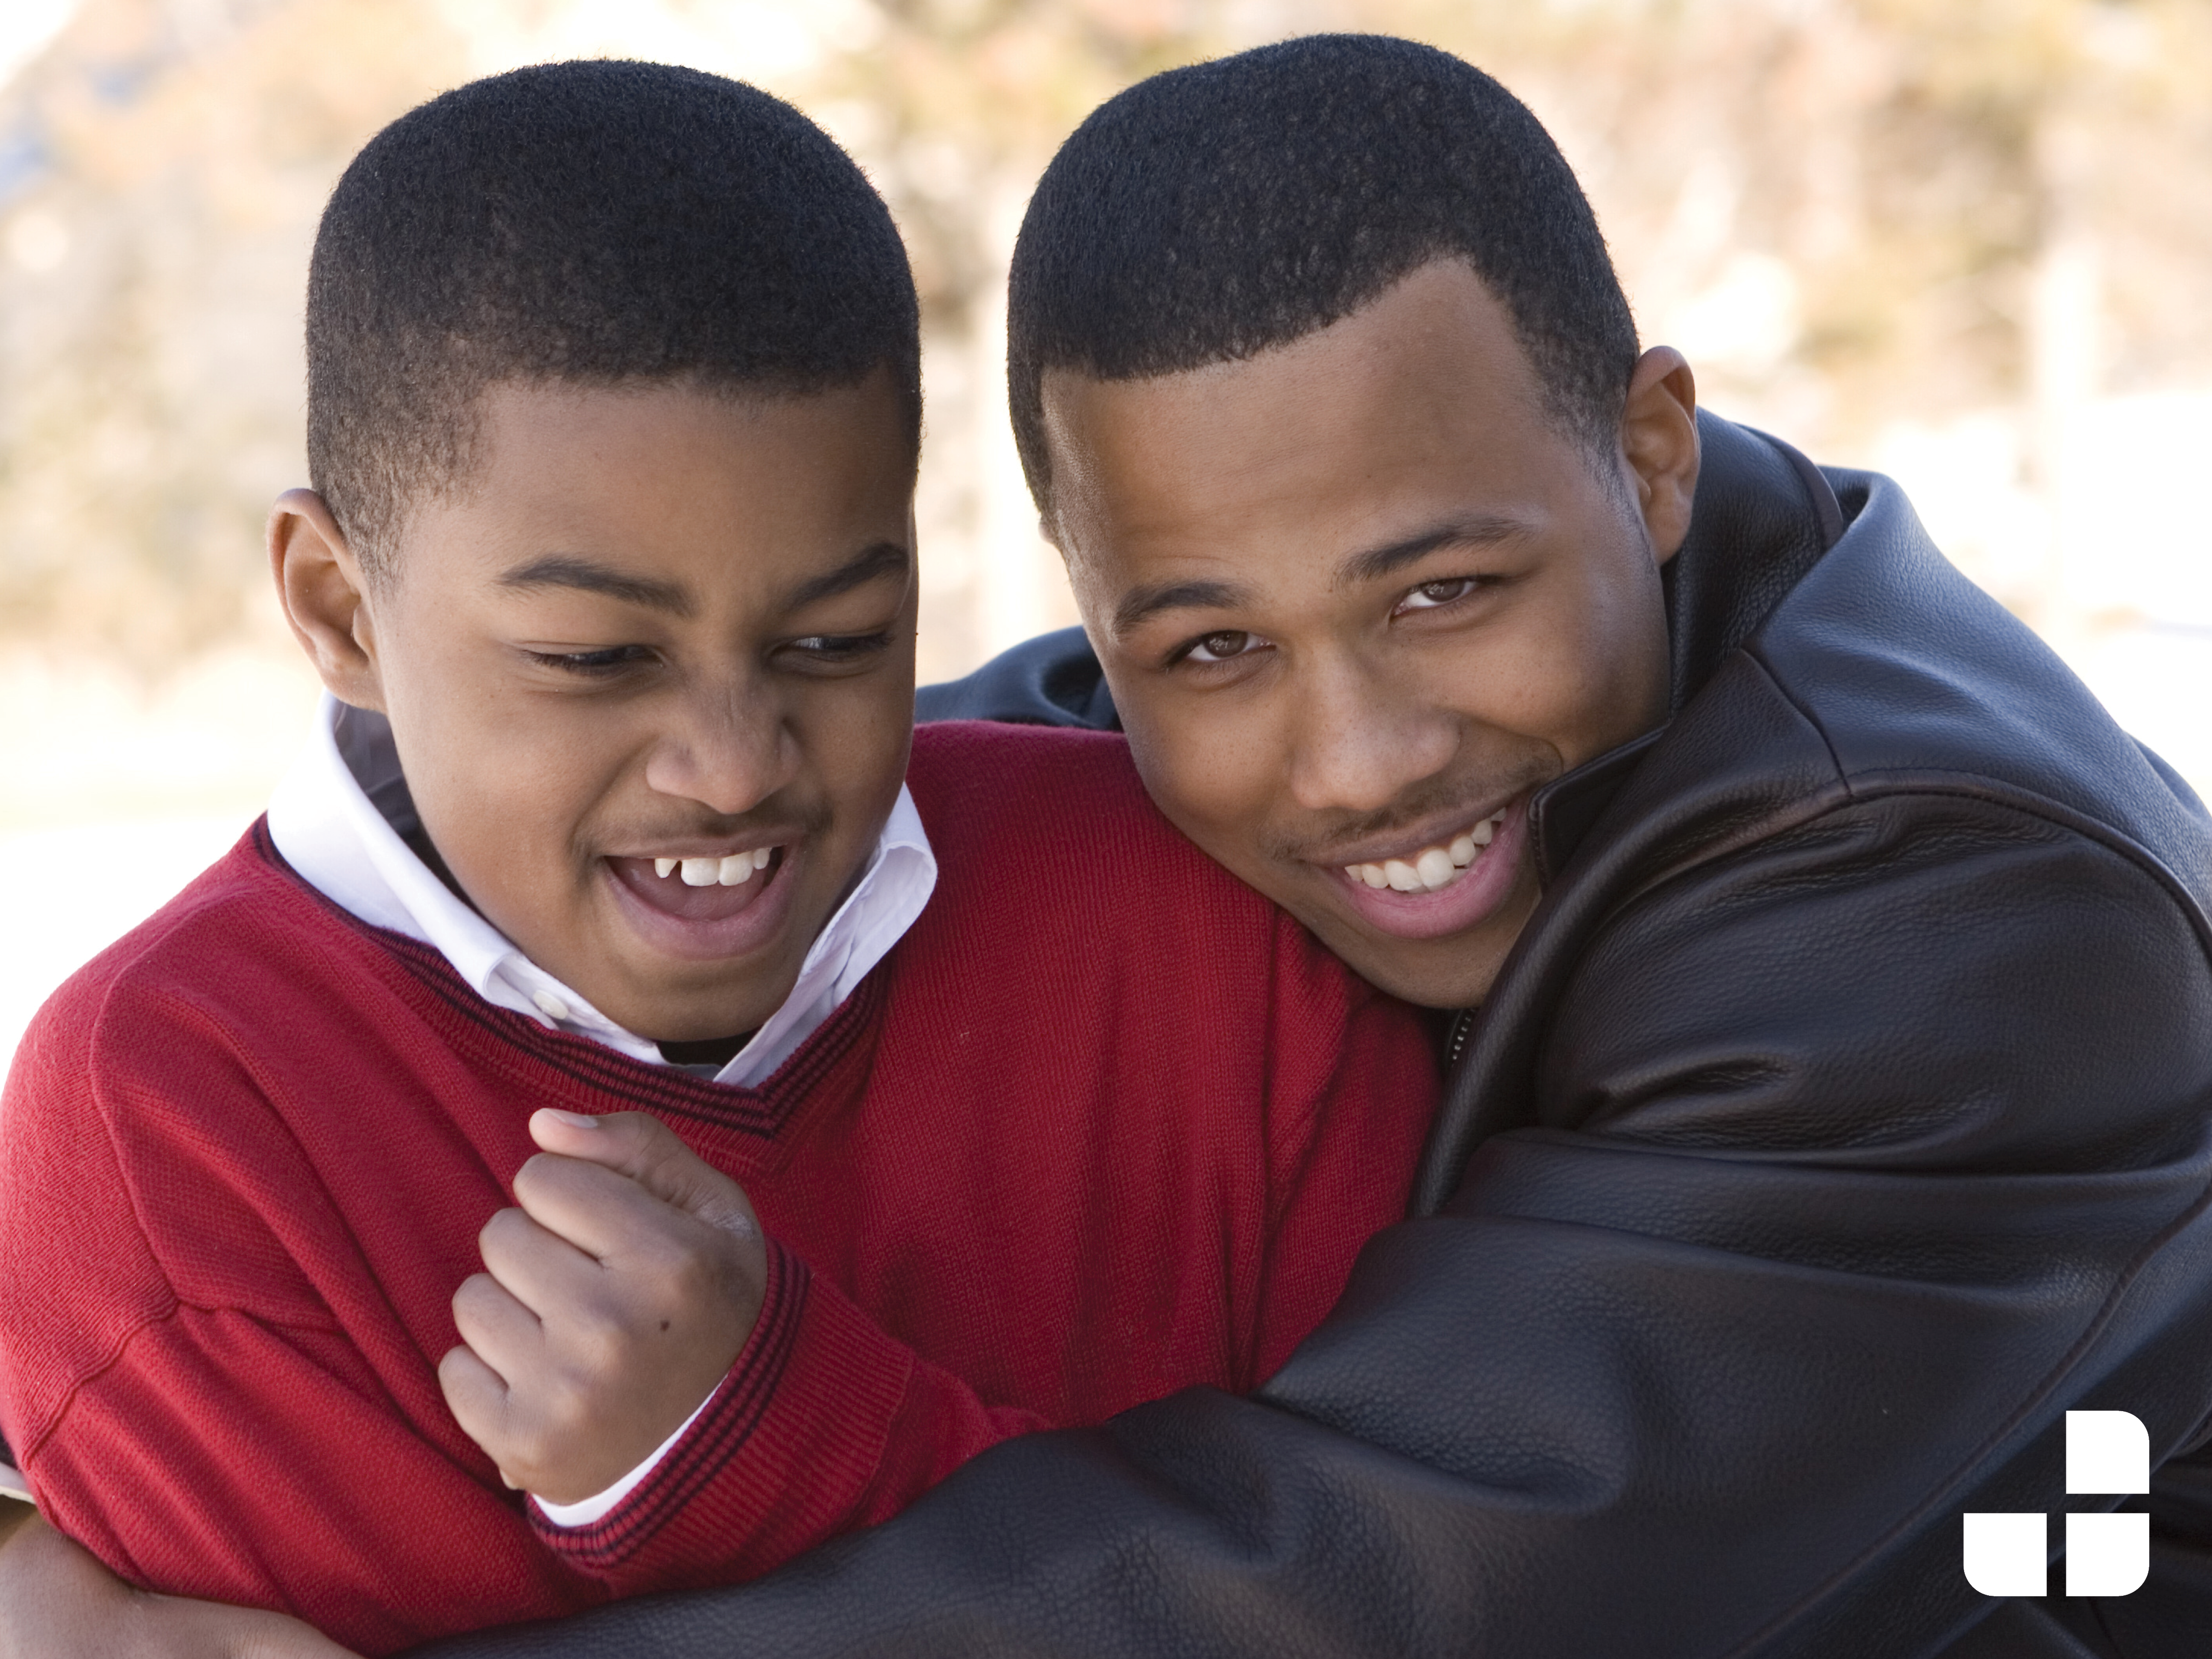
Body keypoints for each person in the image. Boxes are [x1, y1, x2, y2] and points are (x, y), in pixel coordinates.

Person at [7, 32, 2212, 1659]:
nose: (1346, 758)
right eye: (1208, 640)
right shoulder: (1062, 765)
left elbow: (1374, 1590)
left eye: (1447, 590)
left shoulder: (1965, 905)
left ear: (1647, 456)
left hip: (2061, 1585)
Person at [0, 59, 1442, 1656]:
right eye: (598, 659)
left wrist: (762, 1445)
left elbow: (1427, 1594)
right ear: (340, 609)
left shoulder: (1199, 922)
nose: (734, 766)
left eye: (835, 638)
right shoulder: (180, 1131)